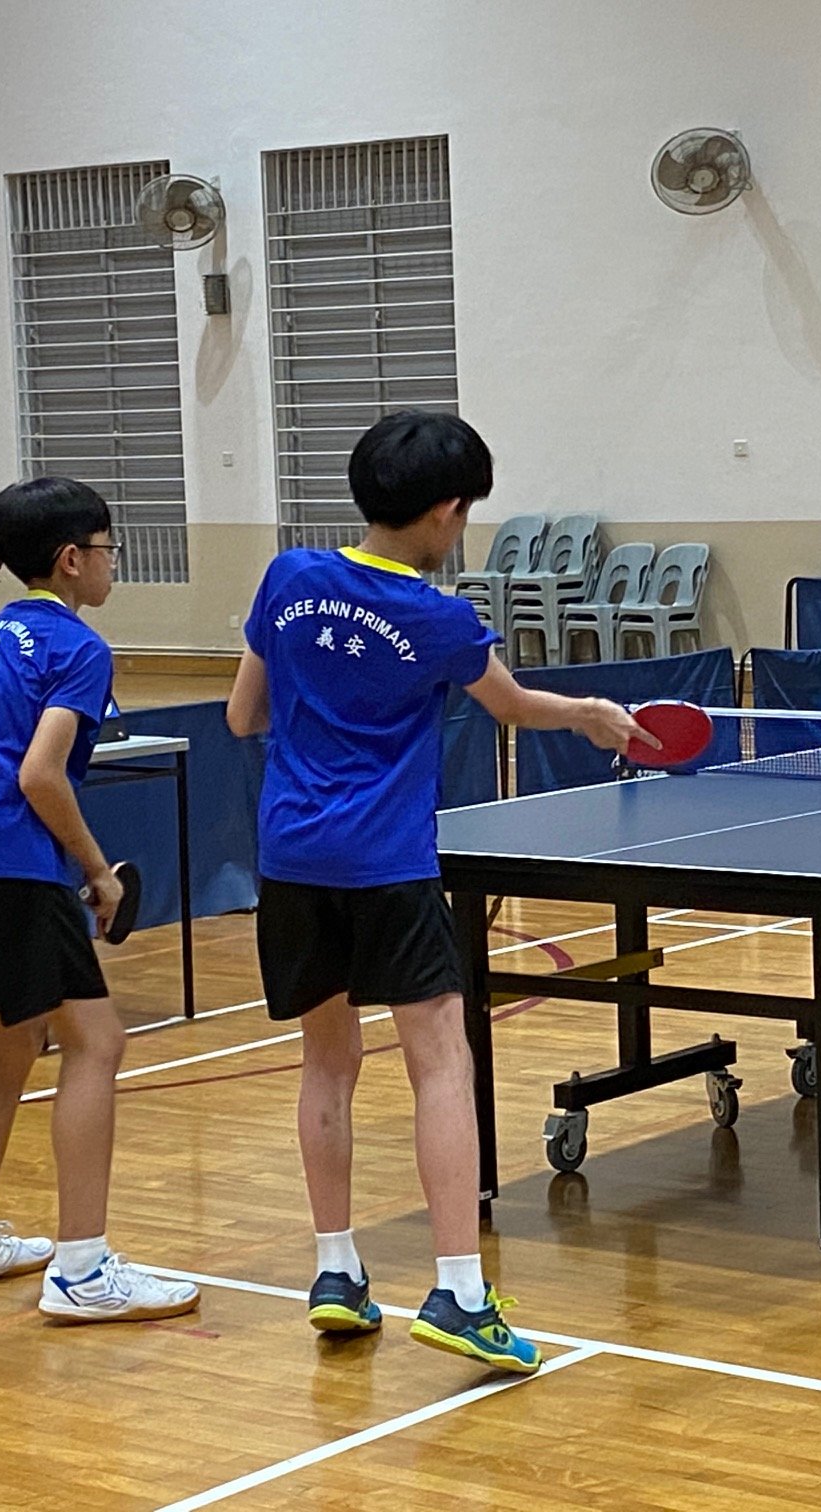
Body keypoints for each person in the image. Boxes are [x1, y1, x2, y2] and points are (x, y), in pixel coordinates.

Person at [227, 410, 648, 1374]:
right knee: (440, 1063)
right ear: (448, 510)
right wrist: (590, 714)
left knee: (326, 1064)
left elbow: (242, 713)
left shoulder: (288, 578)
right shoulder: (441, 617)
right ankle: (459, 1290)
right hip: (386, 862)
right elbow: (508, 707)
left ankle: (335, 1271)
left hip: (291, 856)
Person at [0, 478, 199, 1320]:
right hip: (12, 864)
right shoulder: (76, 646)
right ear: (72, 559)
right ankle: (82, 1270)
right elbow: (40, 773)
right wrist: (99, 870)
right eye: (108, 548)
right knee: (98, 1044)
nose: (112, 563)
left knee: (11, 1043)